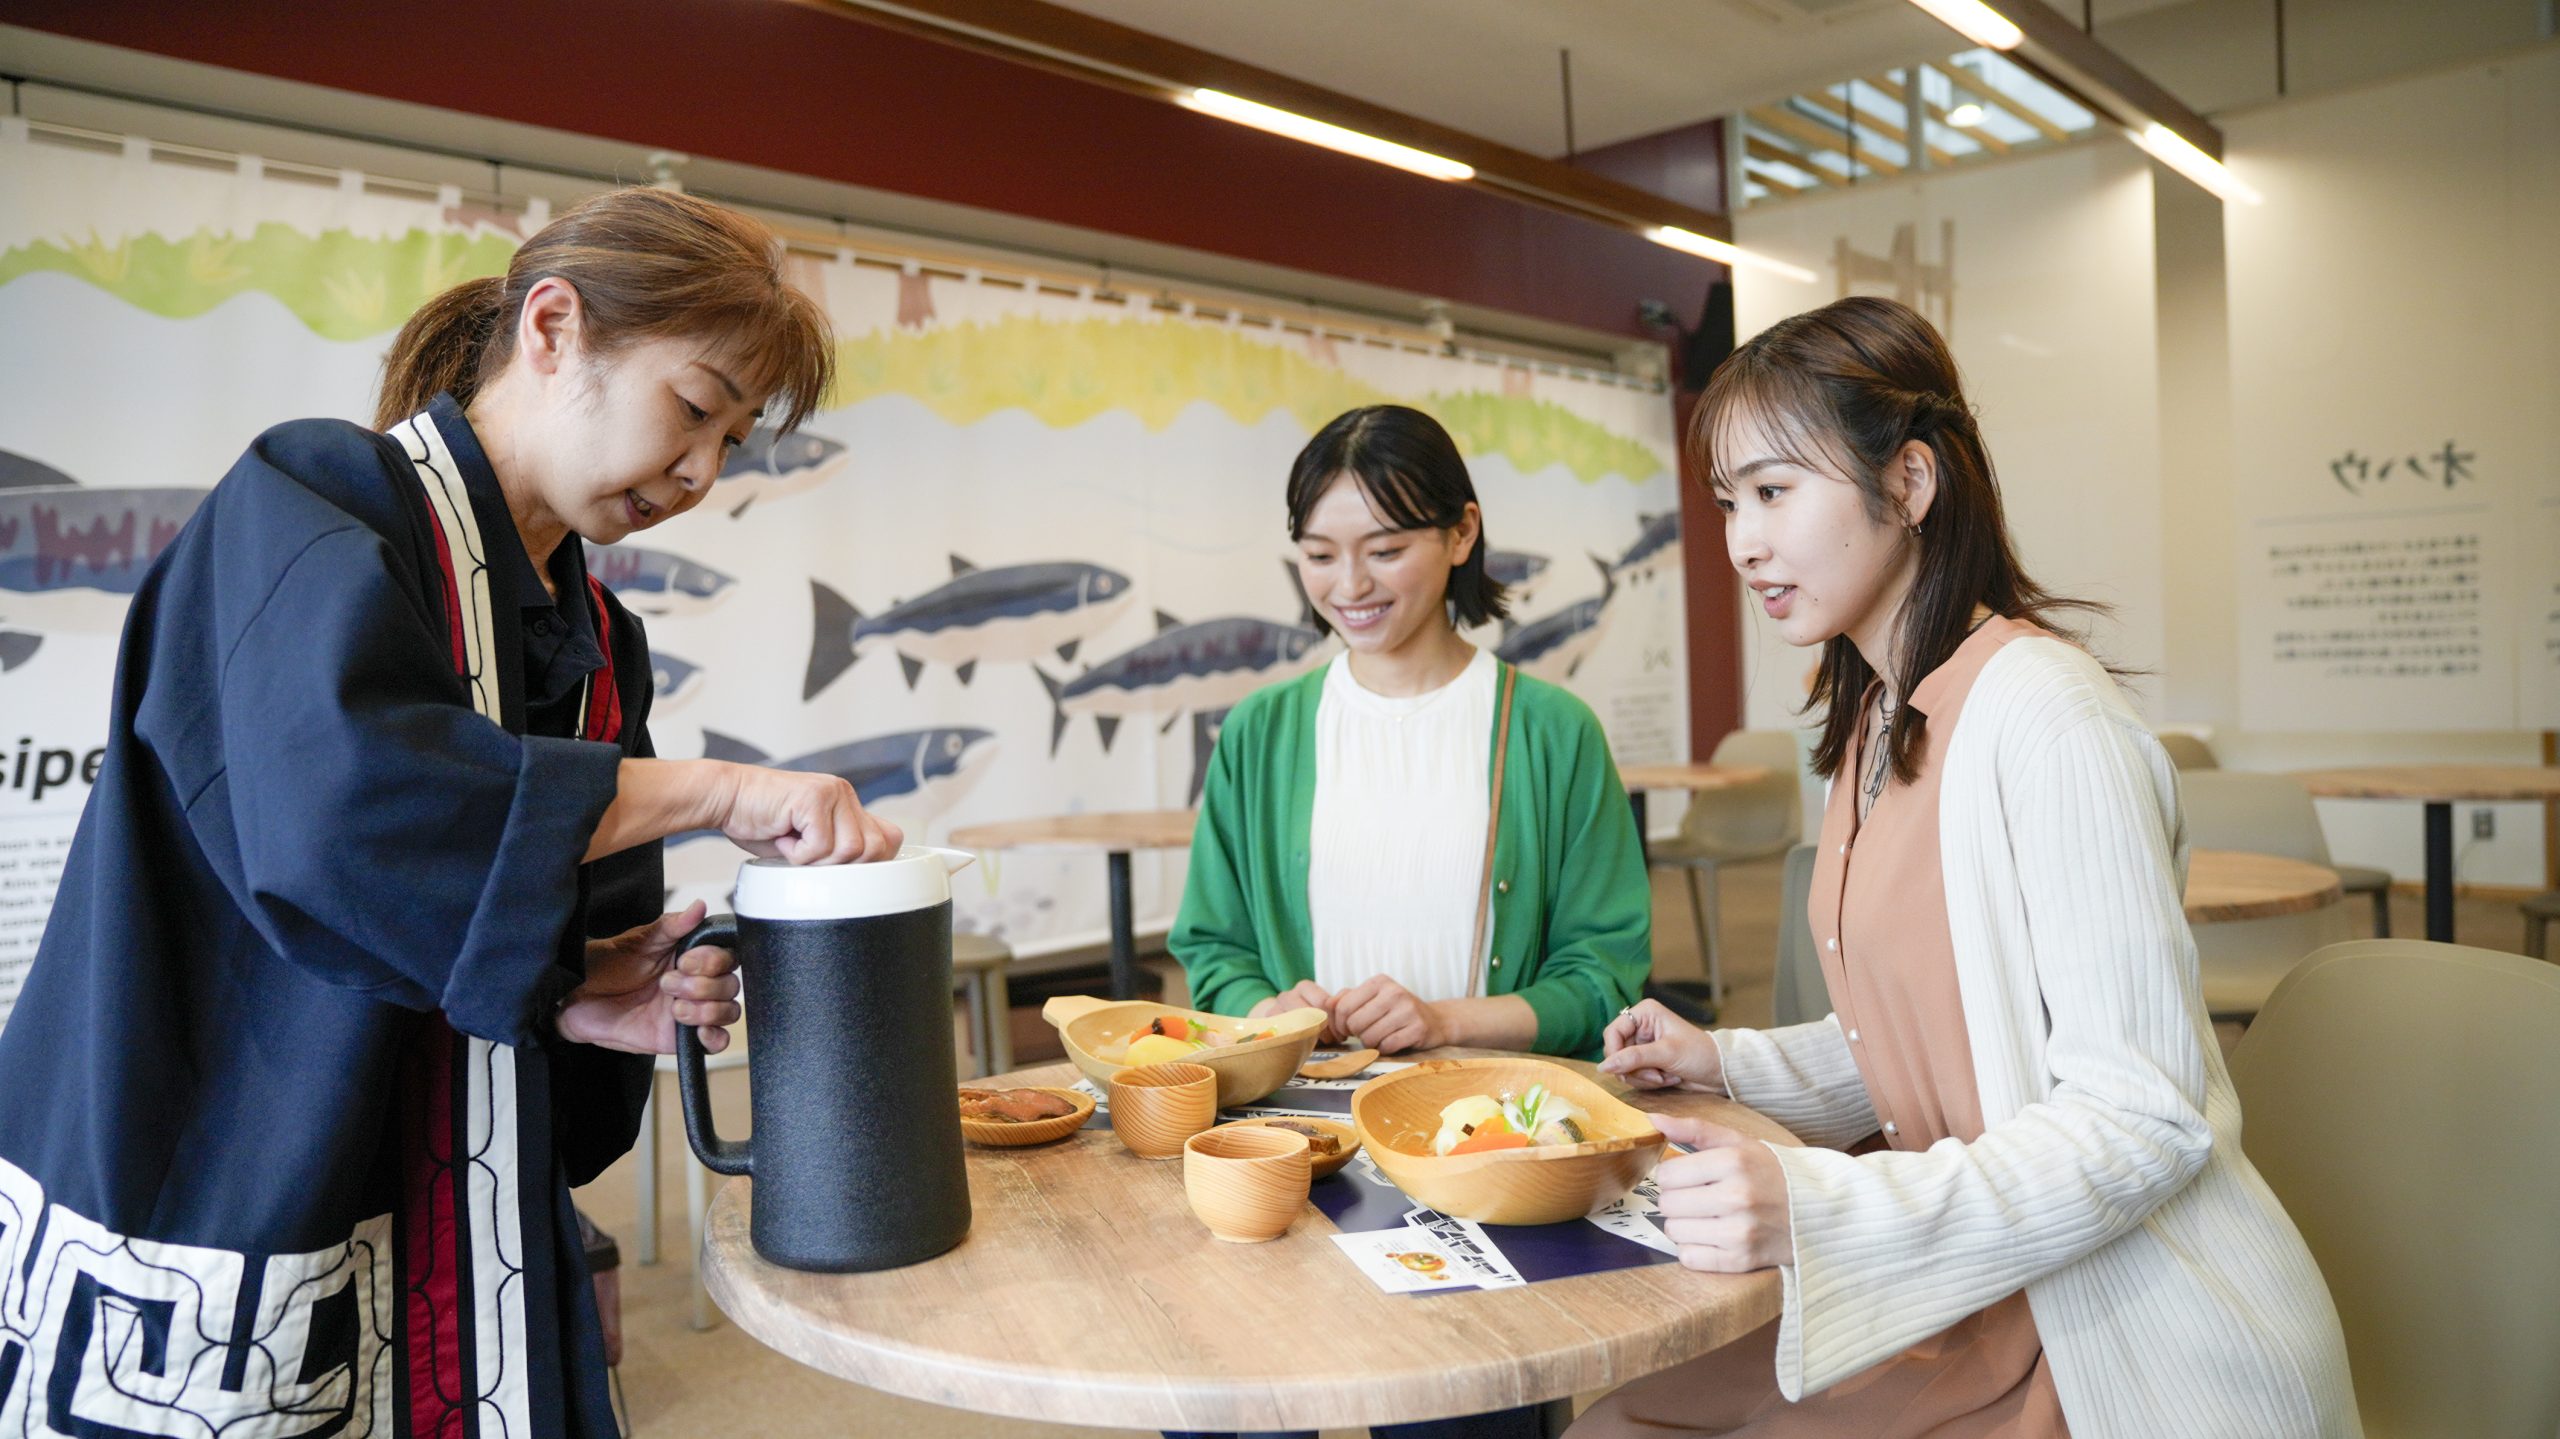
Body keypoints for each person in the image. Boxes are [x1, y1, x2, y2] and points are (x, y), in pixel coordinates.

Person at [0, 188, 900, 1438]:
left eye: (733, 442)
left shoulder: (598, 642)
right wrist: (721, 788)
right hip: (226, 1163)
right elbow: (352, 808)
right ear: (553, 327)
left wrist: (579, 990)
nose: (701, 471)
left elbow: (496, 916)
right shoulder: (309, 504)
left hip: (469, 1212)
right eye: (695, 407)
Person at [1569, 297, 2358, 1437]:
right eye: (1730, 501)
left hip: (2108, 1322)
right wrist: (1729, 1061)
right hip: (1972, 1280)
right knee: (1620, 1417)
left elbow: (2143, 1116)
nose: (1742, 542)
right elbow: (1950, 1036)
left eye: (1775, 491)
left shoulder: (2049, 716)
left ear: (1908, 483)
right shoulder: (1875, 719)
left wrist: (1821, 1204)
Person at [1173, 404, 1649, 1069]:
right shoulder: (1259, 731)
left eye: (1386, 551)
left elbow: (1603, 975)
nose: (1350, 585)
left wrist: (1442, 1021)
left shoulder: (1553, 731)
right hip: (1304, 1113)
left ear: (1462, 533)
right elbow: (1215, 948)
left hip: (1492, 1111)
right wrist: (1263, 1013)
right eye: (1319, 555)